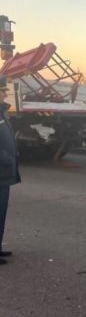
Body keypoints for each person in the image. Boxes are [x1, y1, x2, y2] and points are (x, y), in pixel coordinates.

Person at [0, 75, 20, 265]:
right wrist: (7, 158)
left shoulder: (2, 113)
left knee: (1, 212)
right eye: (2, 91)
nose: (6, 93)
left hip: (3, 173)